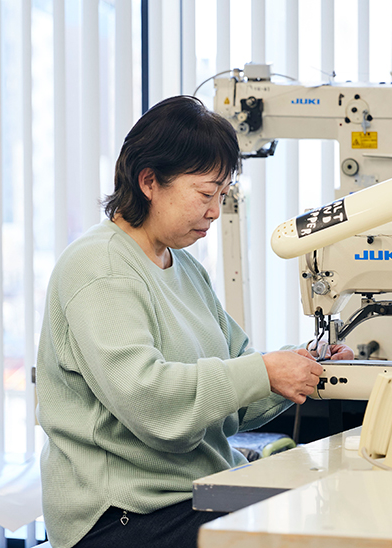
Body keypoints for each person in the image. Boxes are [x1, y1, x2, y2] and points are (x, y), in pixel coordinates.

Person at [36, 95, 353, 548]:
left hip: (192, 494)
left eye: (222, 197)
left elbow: (234, 386)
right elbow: (152, 403)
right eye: (205, 194)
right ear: (149, 181)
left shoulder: (182, 267)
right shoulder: (99, 267)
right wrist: (263, 371)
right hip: (121, 516)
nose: (214, 211)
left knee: (327, 505)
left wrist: (300, 367)